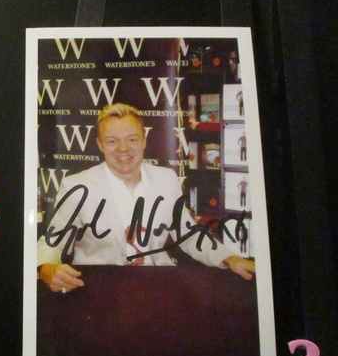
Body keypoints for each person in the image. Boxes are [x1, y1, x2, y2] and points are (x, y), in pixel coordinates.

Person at [38, 103, 256, 293]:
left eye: (132, 139)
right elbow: (52, 243)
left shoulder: (166, 179)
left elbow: (188, 234)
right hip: (101, 289)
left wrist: (229, 258)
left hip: (158, 284)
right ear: (100, 145)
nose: (123, 148)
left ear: (144, 141)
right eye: (112, 141)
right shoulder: (77, 186)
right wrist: (45, 269)